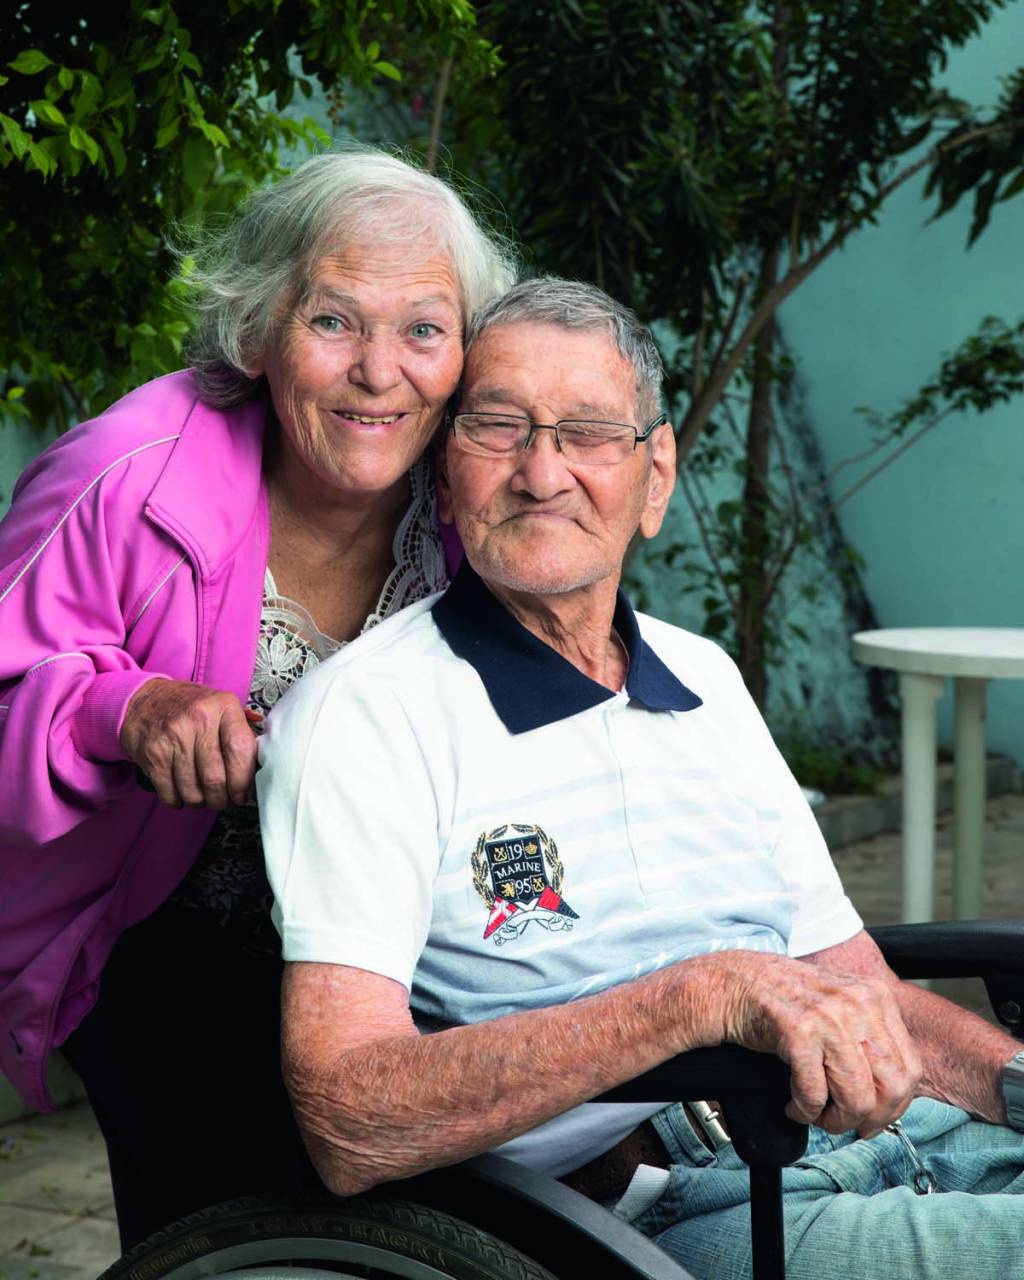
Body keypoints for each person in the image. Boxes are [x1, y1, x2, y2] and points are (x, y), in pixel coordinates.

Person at [258, 278, 1024, 1280]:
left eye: (588, 434)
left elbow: (858, 989)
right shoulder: (368, 713)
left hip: (898, 1141)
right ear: (444, 474)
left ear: (654, 475)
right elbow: (349, 1116)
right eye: (498, 428)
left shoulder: (703, 676)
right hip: (677, 1207)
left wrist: (1012, 1081)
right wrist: (700, 995)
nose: (542, 473)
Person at [0, 145, 516, 1250]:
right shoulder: (125, 475)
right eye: (334, 321)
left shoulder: (482, 494)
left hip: (408, 932)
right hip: (166, 921)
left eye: (423, 328)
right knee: (249, 1222)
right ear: (259, 329)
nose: (380, 370)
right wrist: (122, 710)